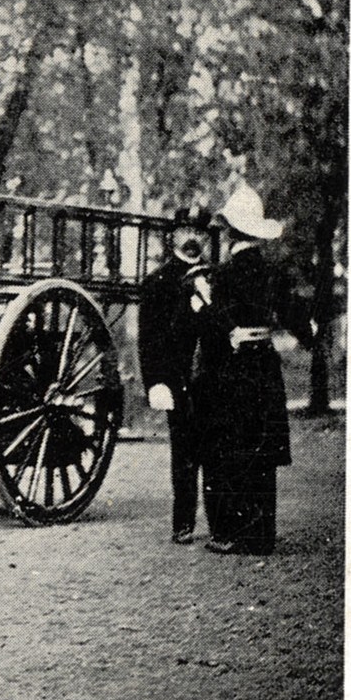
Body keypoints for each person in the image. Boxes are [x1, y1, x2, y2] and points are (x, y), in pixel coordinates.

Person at [193, 183, 292, 556]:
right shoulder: (272, 272)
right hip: (264, 364)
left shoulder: (223, 275)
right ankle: (263, 533)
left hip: (233, 369)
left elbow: (215, 329)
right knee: (262, 451)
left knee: (232, 448)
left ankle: (234, 532)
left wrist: (204, 305)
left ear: (231, 232)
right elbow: (292, 315)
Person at [138, 206, 212, 545]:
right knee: (183, 453)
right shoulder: (157, 282)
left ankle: (219, 524)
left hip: (214, 379)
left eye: (199, 232)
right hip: (177, 378)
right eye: (185, 231)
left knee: (215, 452)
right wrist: (155, 382)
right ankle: (183, 524)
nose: (192, 238)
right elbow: (148, 340)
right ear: (173, 236)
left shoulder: (217, 277)